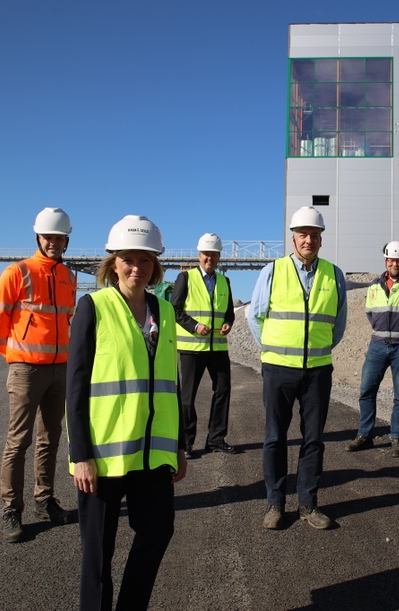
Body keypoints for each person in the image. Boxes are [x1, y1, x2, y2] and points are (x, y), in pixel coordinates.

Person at [66, 215, 186, 611]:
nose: (137, 268)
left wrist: (180, 446)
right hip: (102, 456)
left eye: (146, 260)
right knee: (98, 553)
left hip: (152, 454)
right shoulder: (94, 307)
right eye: (128, 260)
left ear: (156, 266)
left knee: (158, 532)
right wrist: (79, 455)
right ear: (113, 264)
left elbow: (172, 383)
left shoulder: (165, 312)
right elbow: (77, 386)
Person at [248, 206, 347, 530]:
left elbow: (339, 325)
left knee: (313, 440)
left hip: (317, 369)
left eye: (314, 235)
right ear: (293, 239)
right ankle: (275, 504)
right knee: (275, 438)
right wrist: (273, 348)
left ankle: (308, 505)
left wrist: (316, 349)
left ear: (320, 239)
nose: (309, 240)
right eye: (303, 234)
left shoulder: (334, 275)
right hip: (278, 368)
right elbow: (255, 317)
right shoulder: (273, 271)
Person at [0, 206, 77, 543]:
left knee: (50, 437)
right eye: (48, 237)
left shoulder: (69, 276)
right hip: (26, 369)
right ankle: (12, 508)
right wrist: (15, 357)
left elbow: (67, 320)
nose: (54, 242)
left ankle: (45, 500)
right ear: (38, 237)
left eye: (59, 238)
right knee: (18, 440)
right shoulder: (17, 272)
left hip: (59, 369)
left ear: (66, 240)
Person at [346, 241, 399, 458]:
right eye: (391, 260)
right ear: (385, 261)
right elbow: (370, 313)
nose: (395, 263)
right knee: (366, 390)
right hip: (377, 346)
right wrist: (381, 330)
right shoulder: (374, 286)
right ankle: (365, 434)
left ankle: (397, 437)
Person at [171, 232, 237, 458]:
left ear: (219, 257)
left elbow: (228, 312)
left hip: (218, 347)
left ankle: (216, 439)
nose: (210, 258)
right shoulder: (185, 279)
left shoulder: (224, 281)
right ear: (199, 255)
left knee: (223, 391)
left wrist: (228, 322)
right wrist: (195, 326)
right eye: (206, 254)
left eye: (214, 254)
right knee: (187, 397)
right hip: (191, 349)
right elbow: (175, 310)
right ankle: (186, 443)